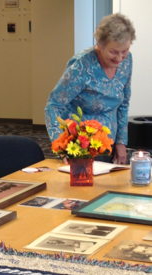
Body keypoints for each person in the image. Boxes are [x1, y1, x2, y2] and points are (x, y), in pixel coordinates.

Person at [45, 13, 136, 164]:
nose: (120, 58)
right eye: (113, 51)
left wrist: (121, 143)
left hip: (109, 143)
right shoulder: (82, 66)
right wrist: (61, 147)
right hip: (81, 146)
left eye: (124, 51)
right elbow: (53, 106)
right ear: (100, 45)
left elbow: (123, 104)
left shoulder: (127, 62)